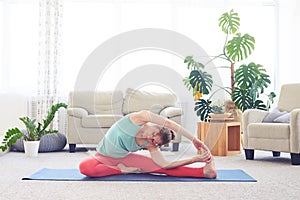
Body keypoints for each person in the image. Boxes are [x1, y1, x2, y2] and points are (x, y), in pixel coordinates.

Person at [79, 110, 217, 179]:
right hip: (102, 156)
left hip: (124, 159)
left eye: (153, 142)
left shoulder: (151, 144)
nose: (149, 138)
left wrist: (193, 160)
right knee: (85, 167)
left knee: (161, 169)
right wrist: (193, 139)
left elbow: (165, 165)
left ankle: (204, 172)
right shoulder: (140, 118)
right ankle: (122, 170)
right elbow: (169, 123)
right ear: (156, 126)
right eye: (153, 135)